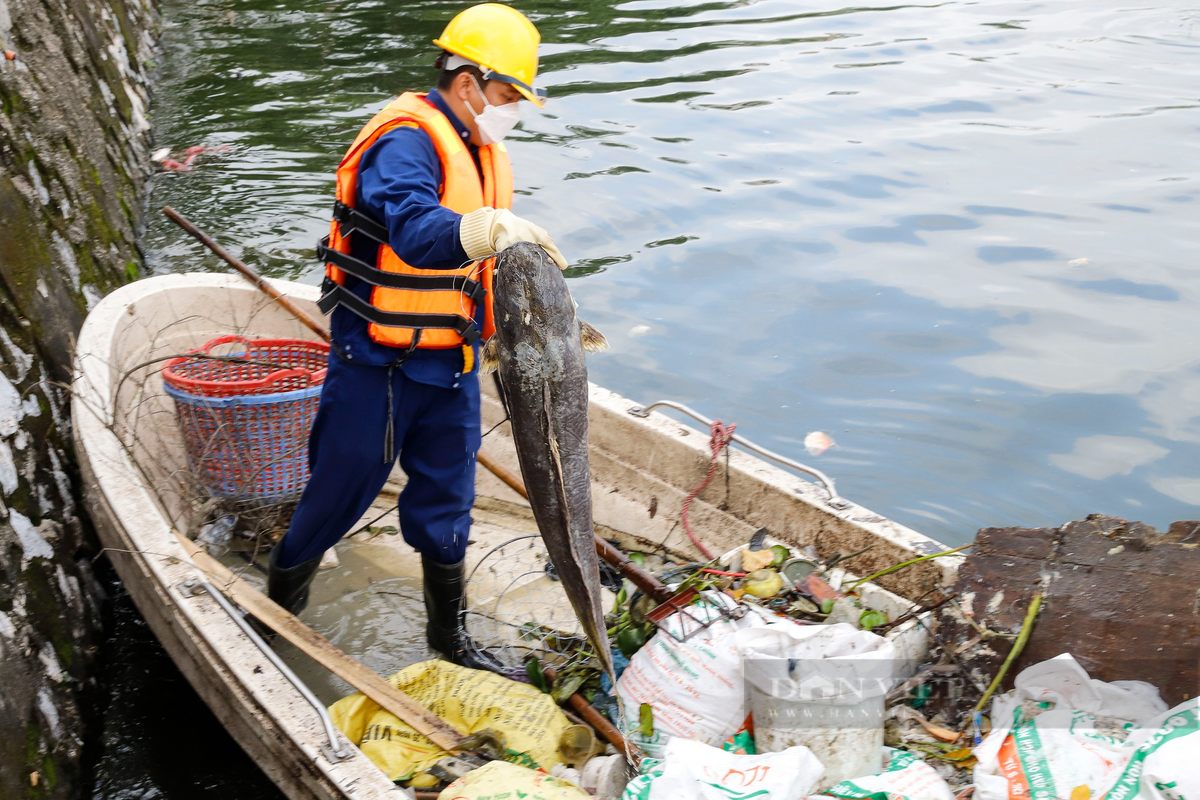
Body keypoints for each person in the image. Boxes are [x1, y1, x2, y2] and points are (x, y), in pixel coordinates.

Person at [261, 3, 565, 666]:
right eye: (508, 93)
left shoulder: (484, 151)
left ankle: (448, 641)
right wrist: (489, 231)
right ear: (466, 84)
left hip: (450, 363)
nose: (513, 108)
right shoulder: (405, 139)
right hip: (378, 359)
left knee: (448, 505)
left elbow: (474, 270)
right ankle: (274, 618)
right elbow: (415, 231)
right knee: (339, 491)